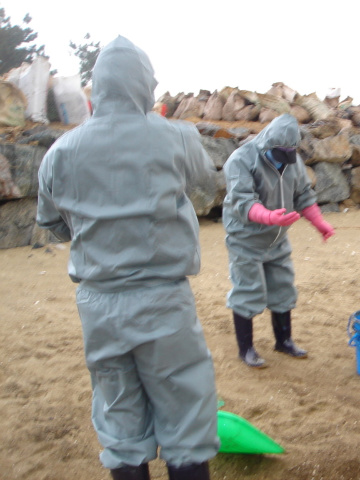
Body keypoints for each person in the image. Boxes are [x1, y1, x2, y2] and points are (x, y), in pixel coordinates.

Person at [36, 36, 219, 480]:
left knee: (119, 418)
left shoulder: (60, 152)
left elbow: (52, 222)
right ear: (144, 86)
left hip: (98, 303)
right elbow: (208, 186)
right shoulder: (177, 137)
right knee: (185, 415)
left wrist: (98, 233)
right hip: (163, 300)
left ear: (97, 88)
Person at [222, 113, 335, 368]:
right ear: (267, 144)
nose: (285, 159)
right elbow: (243, 202)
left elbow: (304, 194)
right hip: (246, 240)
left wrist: (320, 223)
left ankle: (283, 341)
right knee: (248, 290)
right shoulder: (241, 160)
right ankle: (246, 349)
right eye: (280, 153)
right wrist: (268, 217)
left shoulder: (292, 162)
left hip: (278, 240)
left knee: (283, 288)